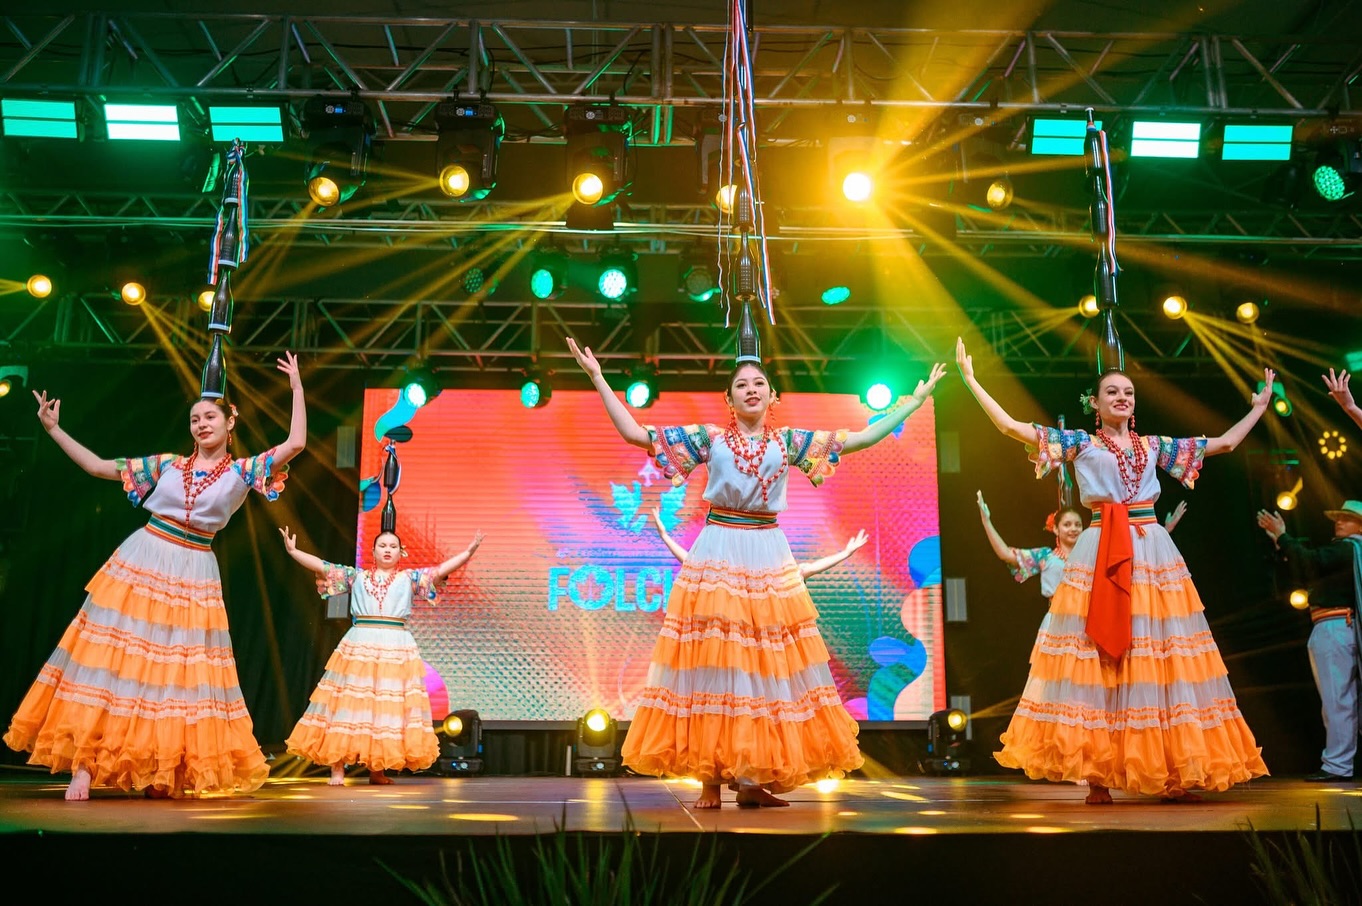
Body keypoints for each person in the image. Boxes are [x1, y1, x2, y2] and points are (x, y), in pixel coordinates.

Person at [569, 335, 947, 809]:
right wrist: (598, 377)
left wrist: (914, 402)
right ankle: (710, 777)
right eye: (742, 385)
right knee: (715, 662)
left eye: (759, 383)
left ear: (773, 395)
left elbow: (861, 438)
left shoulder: (788, 443)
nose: (751, 389)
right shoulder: (710, 438)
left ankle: (750, 779)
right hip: (720, 548)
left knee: (766, 667)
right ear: (729, 399)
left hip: (767, 550)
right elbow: (636, 434)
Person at [955, 336, 1271, 803]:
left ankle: (1170, 772)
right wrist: (972, 381)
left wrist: (1259, 407)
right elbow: (1011, 427)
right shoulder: (1082, 444)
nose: (1122, 397)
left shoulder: (1153, 445)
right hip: (1102, 547)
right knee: (1098, 655)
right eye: (1112, 392)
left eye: (1128, 392)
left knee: (1161, 656)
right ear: (1096, 404)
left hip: (1151, 549)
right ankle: (1098, 774)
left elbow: (1223, 443)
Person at [4, 353, 306, 801]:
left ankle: (162, 769)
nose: (201, 425)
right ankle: (85, 766)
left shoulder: (242, 472)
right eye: (194, 419)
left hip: (194, 570)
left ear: (230, 423)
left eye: (210, 417)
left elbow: (295, 443)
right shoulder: (167, 465)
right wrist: (53, 430)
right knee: (114, 662)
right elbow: (98, 466)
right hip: (144, 559)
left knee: (176, 673)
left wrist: (296, 388)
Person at [279, 526, 484, 785]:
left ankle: (377, 770)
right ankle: (337, 768)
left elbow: (440, 570)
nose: (388, 550)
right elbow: (322, 566)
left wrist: (468, 552)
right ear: (373, 551)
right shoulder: (356, 577)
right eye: (383, 546)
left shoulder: (409, 579)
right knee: (348, 704)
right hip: (361, 642)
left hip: (395, 644)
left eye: (393, 546)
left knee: (386, 709)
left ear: (400, 552)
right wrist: (294, 551)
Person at [1256, 502, 1361, 782]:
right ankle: (1340, 762)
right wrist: (1283, 545)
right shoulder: (1349, 552)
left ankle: (1338, 764)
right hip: (1337, 626)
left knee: (1337, 699)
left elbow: (1310, 562)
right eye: (1339, 517)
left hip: (1336, 626)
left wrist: (1283, 536)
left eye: (1348, 519)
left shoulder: (1348, 548)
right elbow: (1306, 570)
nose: (1339, 522)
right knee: (1342, 698)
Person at [978, 492, 1187, 603]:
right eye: (1067, 525)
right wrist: (986, 522)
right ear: (1056, 529)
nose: (1073, 529)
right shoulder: (1045, 556)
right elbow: (1006, 554)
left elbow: (1129, 551)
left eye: (1077, 524)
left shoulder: (1091, 552)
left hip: (1087, 622)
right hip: (1057, 622)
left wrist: (1164, 530)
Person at [651, 506, 869, 579]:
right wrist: (665, 536)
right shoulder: (732, 575)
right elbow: (690, 562)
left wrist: (845, 553)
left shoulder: (775, 576)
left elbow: (808, 569)